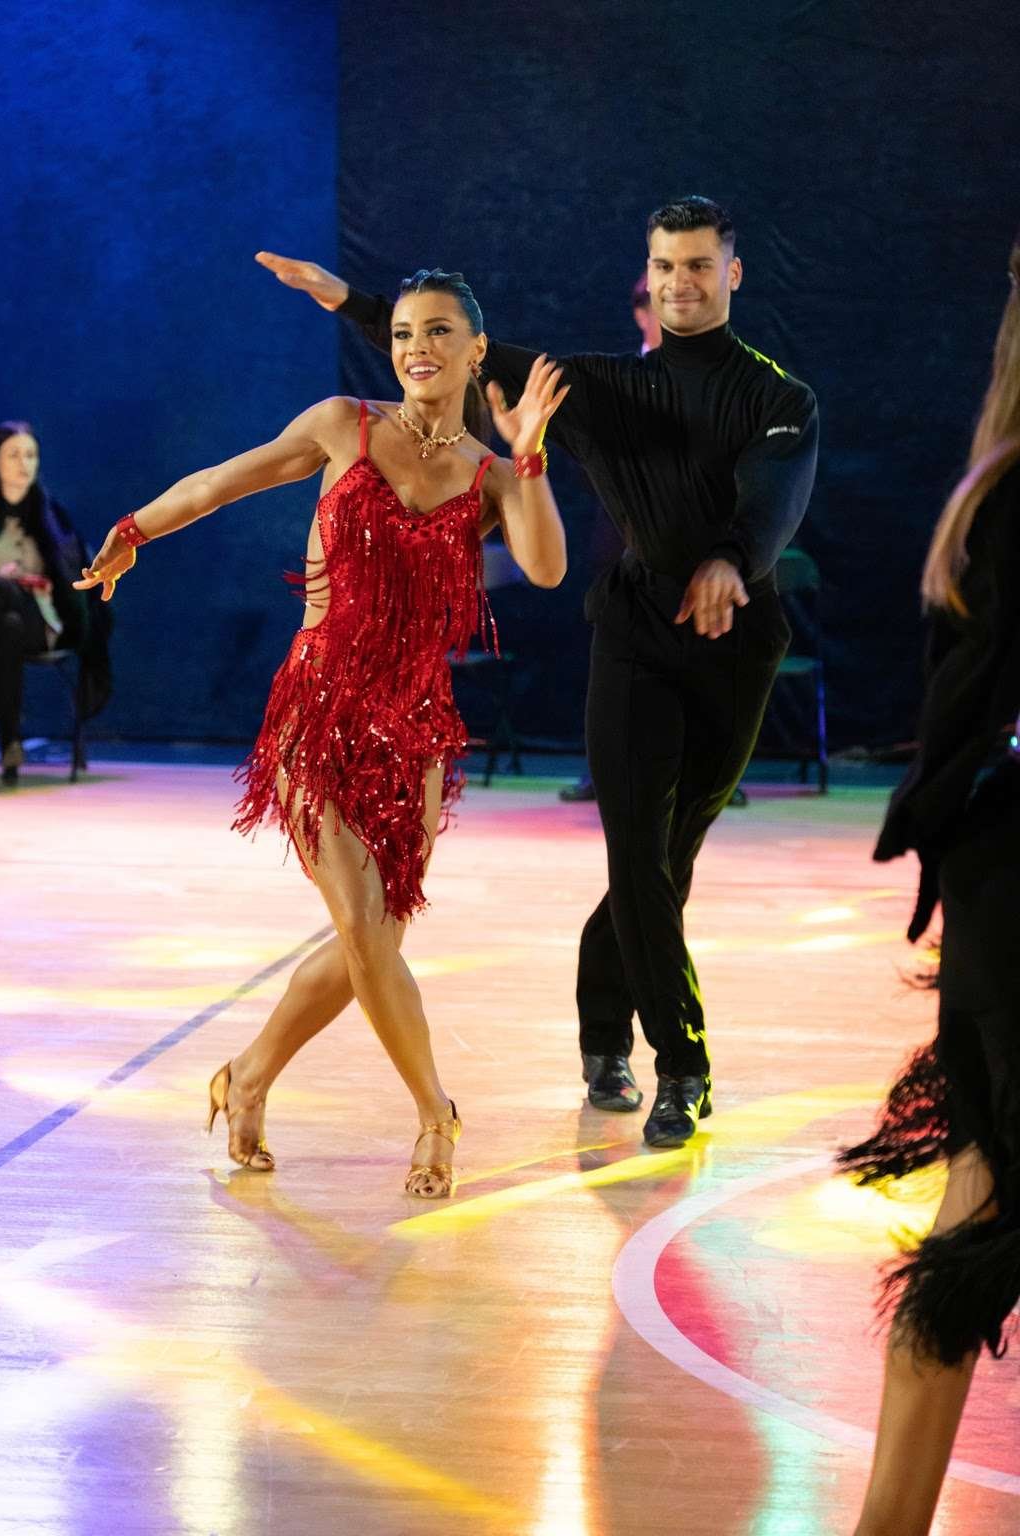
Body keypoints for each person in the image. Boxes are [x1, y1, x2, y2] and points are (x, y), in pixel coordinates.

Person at [257, 192, 818, 1147]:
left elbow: (774, 498)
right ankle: (681, 1066)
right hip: (635, 634)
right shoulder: (601, 387)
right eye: (665, 266)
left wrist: (732, 559)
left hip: (736, 641)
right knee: (637, 849)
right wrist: (348, 299)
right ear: (648, 277)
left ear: (732, 272)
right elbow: (465, 350)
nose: (681, 282)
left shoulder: (781, 398)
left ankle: (601, 1032)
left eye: (698, 265)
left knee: (666, 860)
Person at [75, 268, 568, 1197]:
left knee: (369, 938)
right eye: (404, 333)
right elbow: (218, 484)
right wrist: (133, 529)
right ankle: (436, 1114)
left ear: (475, 351)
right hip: (319, 708)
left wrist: (531, 454)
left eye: (439, 332)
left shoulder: (493, 474)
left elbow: (545, 568)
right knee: (363, 924)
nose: (417, 348)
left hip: (418, 727)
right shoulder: (345, 425)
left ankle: (248, 1075)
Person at [838, 238, 1020, 1536]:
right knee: (977, 1214)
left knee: (976, 1203)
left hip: (996, 890)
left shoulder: (993, 492)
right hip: (1009, 895)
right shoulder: (1008, 502)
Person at [559, 270, 660, 805]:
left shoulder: (712, 378)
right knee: (614, 661)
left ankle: (697, 770)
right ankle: (605, 770)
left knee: (687, 660)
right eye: (655, 302)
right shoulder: (617, 381)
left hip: (686, 544)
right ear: (640, 313)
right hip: (619, 539)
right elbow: (585, 455)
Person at [0, 421, 111, 786]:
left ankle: (10, 741)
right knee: (7, 625)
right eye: (13, 455)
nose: (24, 463)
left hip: (44, 622)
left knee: (6, 597)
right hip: (6, 628)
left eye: (30, 455)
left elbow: (72, 579)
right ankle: (11, 743)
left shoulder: (50, 516)